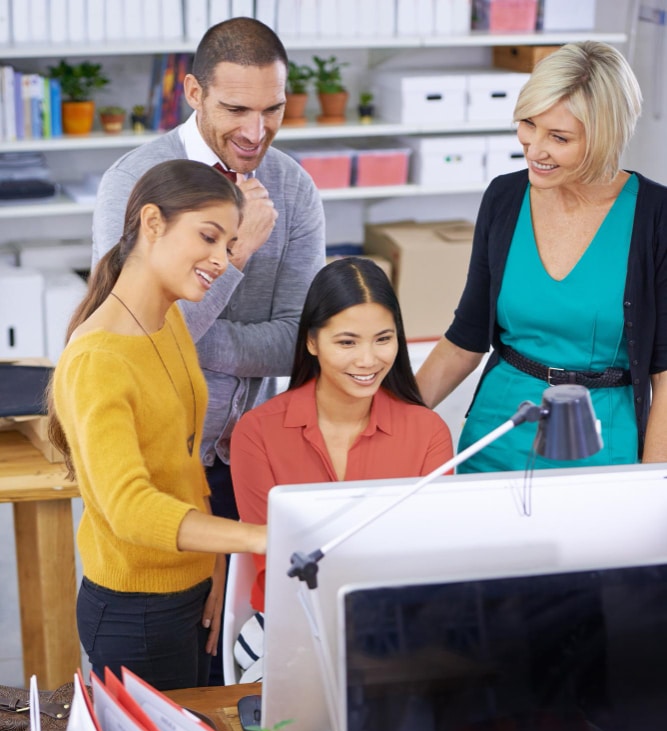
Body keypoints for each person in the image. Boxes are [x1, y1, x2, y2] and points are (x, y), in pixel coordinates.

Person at [92, 18, 326, 674]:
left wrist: (186, 334)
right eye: (236, 110)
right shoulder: (134, 184)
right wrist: (237, 251)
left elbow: (296, 344)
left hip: (246, 459)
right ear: (193, 92)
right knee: (161, 663)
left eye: (273, 109)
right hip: (157, 466)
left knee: (238, 667)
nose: (257, 131)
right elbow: (128, 338)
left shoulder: (292, 187)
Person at [48, 160, 266, 691]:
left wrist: (214, 564)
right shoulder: (97, 360)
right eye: (208, 237)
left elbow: (184, 466)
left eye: (229, 244)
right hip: (137, 613)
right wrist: (258, 538)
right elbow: (130, 509)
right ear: (152, 222)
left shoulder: (167, 320)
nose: (222, 260)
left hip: (188, 588)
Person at [416, 41, 667, 472]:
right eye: (529, 124)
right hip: (495, 435)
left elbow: (665, 374)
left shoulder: (655, 216)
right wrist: (386, 422)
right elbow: (464, 341)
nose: (534, 149)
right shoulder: (504, 197)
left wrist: (653, 483)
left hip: (601, 447)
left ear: (605, 137)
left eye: (559, 137)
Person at [229, 257, 454, 680]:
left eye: (383, 339)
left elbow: (428, 559)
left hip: (401, 623)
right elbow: (272, 565)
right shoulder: (257, 433)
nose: (368, 360)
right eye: (347, 342)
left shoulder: (428, 432)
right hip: (296, 624)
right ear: (312, 342)